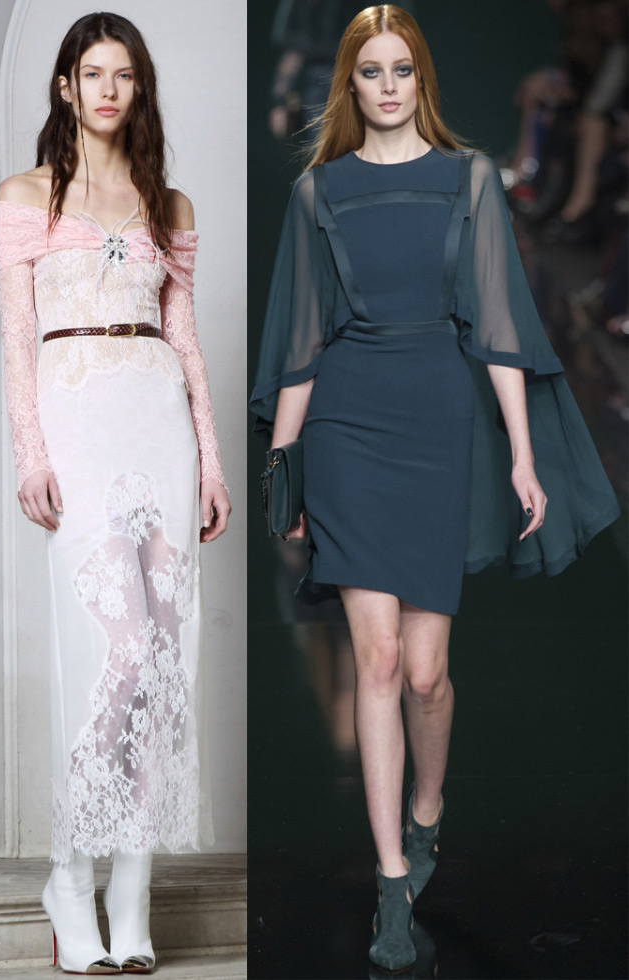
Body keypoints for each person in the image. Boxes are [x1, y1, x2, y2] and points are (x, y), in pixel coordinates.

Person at [250, 4, 619, 972]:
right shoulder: (319, 191)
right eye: (370, 70)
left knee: (425, 674)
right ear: (349, 81)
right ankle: (391, 884)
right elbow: (301, 339)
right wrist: (283, 462)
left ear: (422, 78)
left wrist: (523, 456)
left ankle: (428, 809)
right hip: (347, 427)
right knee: (375, 661)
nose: (386, 86)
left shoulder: (469, 179)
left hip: (438, 424)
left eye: (401, 69)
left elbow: (498, 324)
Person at [0, 12, 231, 976]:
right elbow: (16, 340)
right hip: (78, 423)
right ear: (65, 86)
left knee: (162, 663)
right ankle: (70, 874)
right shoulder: (23, 196)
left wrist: (212, 464)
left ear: (138, 88)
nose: (107, 90)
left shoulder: (167, 203)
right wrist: (29, 454)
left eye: (123, 75)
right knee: (119, 654)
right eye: (91, 73)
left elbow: (187, 342)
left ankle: (130, 896)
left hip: (158, 424)